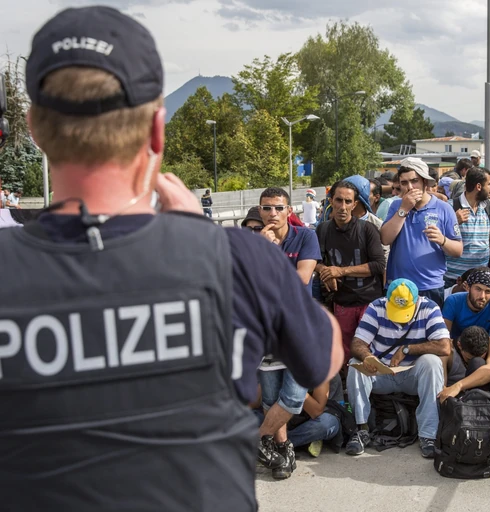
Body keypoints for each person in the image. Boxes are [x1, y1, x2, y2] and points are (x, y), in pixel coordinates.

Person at [0, 7, 342, 510]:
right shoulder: (236, 258)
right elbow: (324, 356)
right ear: (157, 130)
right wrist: (200, 236)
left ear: (34, 129)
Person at [346, 278, 451, 458]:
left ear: (416, 301)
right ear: (387, 300)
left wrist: (407, 349)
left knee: (432, 362)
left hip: (412, 375)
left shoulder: (429, 308)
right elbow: (357, 343)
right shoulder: (376, 307)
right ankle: (361, 429)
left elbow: (444, 347)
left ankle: (428, 435)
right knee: (355, 365)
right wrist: (368, 357)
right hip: (381, 373)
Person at [315, 180, 386, 362]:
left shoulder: (367, 229)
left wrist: (340, 271)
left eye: (348, 201)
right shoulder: (323, 229)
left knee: (371, 352)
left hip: (369, 302)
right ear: (331, 201)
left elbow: (379, 265)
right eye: (339, 200)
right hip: (342, 302)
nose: (343, 207)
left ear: (355, 204)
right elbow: (314, 260)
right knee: (345, 352)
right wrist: (325, 271)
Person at [381, 157, 462, 308]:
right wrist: (404, 209)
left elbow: (458, 250)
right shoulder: (396, 206)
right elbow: (385, 239)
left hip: (430, 286)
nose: (410, 187)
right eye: (404, 183)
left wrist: (443, 240)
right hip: (399, 285)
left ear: (425, 182)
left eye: (414, 181)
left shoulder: (444, 208)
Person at [445, 167, 490, 289]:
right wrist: (454, 222)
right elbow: (438, 240)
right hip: (453, 279)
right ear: (479, 187)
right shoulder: (450, 207)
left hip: (481, 280)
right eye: (489, 184)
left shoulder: (488, 206)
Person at [259, 187, 321, 292]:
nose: (273, 213)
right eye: (266, 208)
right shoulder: (252, 240)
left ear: (289, 211)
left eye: (279, 208)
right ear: (260, 211)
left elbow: (303, 278)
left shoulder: (306, 236)